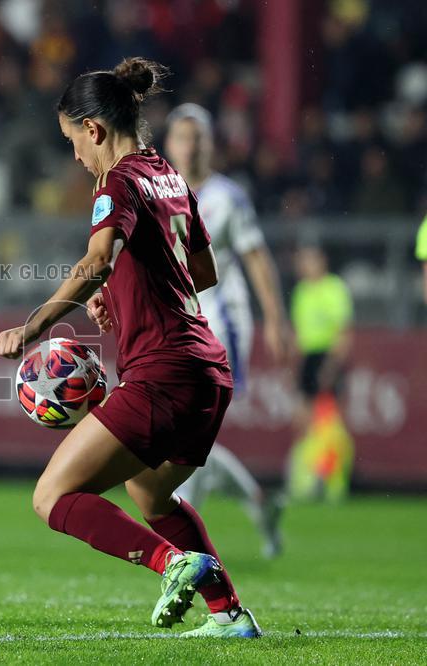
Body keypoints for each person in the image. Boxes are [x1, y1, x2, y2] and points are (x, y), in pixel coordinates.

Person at [0, 57, 261, 638]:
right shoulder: (166, 173)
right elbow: (203, 271)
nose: (75, 158)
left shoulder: (116, 182)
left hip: (162, 371)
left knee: (52, 496)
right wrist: (125, 296)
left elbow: (96, 261)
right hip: (207, 371)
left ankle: (173, 564)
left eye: (72, 142)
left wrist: (33, 326)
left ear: (93, 129)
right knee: (151, 491)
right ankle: (229, 615)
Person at [164, 103, 289, 558]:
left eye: (199, 137)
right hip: (179, 321)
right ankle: (260, 503)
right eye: (183, 137)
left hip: (223, 321)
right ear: (170, 143)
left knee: (189, 432)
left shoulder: (228, 197)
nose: (191, 145)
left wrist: (275, 318)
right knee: (187, 436)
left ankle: (185, 551)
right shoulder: (162, 192)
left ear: (211, 144)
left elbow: (255, 257)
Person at [288, 244, 354, 501]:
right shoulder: (302, 292)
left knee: (330, 423)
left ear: (322, 262)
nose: (304, 266)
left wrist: (332, 366)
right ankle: (305, 479)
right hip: (308, 358)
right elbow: (298, 334)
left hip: (328, 356)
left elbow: (344, 332)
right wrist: (295, 367)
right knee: (303, 420)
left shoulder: (334, 288)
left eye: (309, 261)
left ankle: (333, 481)